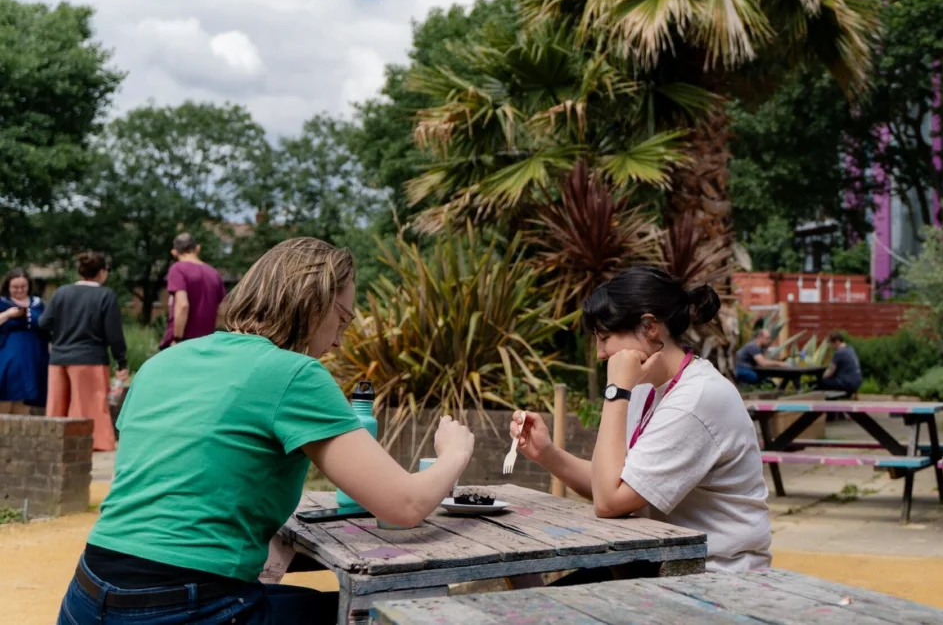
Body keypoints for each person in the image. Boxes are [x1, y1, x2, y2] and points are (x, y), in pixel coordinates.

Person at [59, 237, 476, 625]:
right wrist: (454, 452)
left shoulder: (161, 364)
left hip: (87, 593)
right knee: (394, 614)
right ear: (314, 304)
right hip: (185, 604)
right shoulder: (294, 373)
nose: (339, 342)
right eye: (342, 319)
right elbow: (403, 505)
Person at [511, 266, 772, 572]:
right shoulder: (644, 387)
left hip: (716, 579)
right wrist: (547, 454)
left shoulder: (697, 399)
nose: (599, 354)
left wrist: (616, 391)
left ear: (650, 327)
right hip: (658, 567)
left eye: (605, 337)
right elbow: (610, 483)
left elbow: (609, 502)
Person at [40, 252, 127, 451]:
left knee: (56, 408)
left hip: (58, 358)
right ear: (102, 272)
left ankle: (53, 447)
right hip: (90, 358)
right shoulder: (105, 295)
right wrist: (121, 360)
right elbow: (113, 333)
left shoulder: (61, 292)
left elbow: (43, 322)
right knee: (90, 408)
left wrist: (56, 339)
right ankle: (92, 448)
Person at [159, 232, 227, 349]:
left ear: (174, 252)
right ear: (197, 248)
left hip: (185, 341)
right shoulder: (214, 273)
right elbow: (224, 309)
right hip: (206, 343)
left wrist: (177, 338)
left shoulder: (178, 269)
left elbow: (183, 305)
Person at [0, 268, 47, 414]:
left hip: (33, 357)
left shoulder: (38, 304)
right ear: (7, 286)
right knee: (6, 393)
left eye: (23, 287)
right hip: (8, 354)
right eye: (15, 287)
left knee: (26, 396)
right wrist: (7, 314)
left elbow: (48, 326)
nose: (19, 290)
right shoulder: (3, 303)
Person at [817, 331, 862, 395]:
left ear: (837, 342)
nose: (830, 346)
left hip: (847, 383)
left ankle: (826, 400)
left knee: (821, 382)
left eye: (831, 343)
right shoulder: (850, 349)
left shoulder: (839, 353)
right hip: (857, 382)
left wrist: (822, 378)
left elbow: (830, 371)